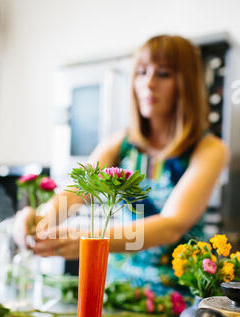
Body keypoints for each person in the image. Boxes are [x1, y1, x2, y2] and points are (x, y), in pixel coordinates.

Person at [14, 34, 229, 294]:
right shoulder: (119, 144)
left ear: (187, 84)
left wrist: (92, 242)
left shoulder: (210, 150)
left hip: (175, 296)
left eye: (163, 74)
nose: (148, 84)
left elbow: (172, 225)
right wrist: (42, 219)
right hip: (115, 290)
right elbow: (76, 193)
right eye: (141, 72)